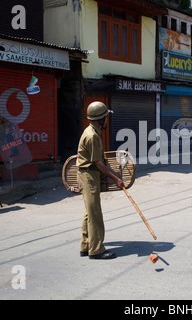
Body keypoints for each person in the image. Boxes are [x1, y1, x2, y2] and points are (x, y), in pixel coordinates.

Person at [77, 102, 124, 260]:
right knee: (94, 213)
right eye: (106, 117)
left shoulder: (93, 131)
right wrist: (116, 178)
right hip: (89, 175)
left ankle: (85, 245)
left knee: (88, 212)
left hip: (89, 175)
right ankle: (96, 250)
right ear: (100, 119)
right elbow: (99, 163)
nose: (107, 119)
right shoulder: (92, 136)